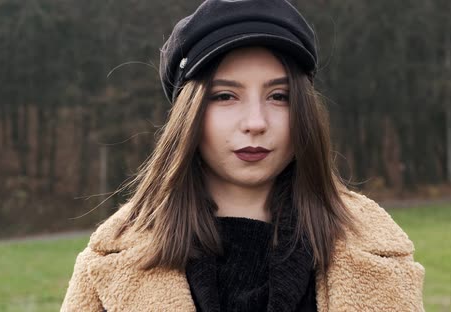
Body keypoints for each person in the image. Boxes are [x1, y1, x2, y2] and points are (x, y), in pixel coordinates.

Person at [60, 0, 425, 311]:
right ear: (189, 115)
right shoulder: (107, 265)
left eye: (279, 96)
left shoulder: (377, 256)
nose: (255, 123)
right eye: (225, 96)